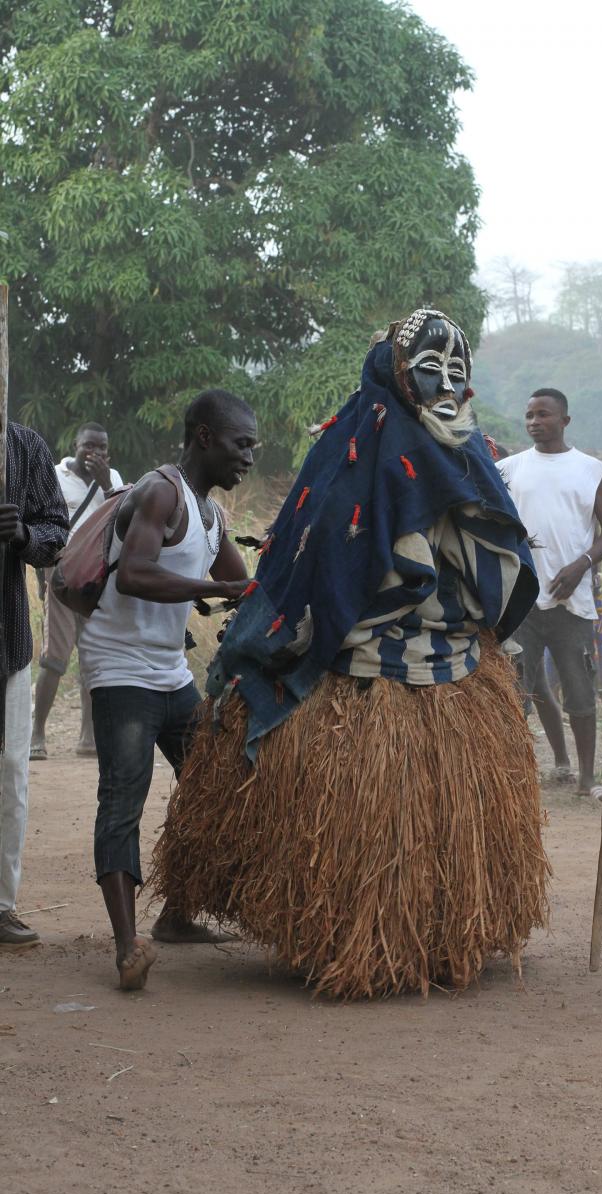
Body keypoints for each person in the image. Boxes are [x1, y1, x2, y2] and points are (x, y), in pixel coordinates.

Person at [150, 309, 548, 1000]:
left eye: (460, 374)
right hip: (356, 674)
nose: (447, 385)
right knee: (358, 831)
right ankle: (354, 942)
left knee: (437, 825)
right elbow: (321, 543)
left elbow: (500, 557)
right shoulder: (358, 446)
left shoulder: (462, 451)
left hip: (447, 669)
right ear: (396, 373)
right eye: (430, 370)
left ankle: (440, 937)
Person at [78, 389, 256, 990]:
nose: (249, 458)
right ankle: (129, 947)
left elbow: (241, 582)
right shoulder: (161, 492)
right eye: (241, 444)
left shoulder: (210, 515)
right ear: (205, 436)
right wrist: (218, 592)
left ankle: (179, 914)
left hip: (169, 672)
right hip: (121, 667)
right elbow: (133, 574)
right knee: (123, 800)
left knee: (215, 785)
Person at [498, 389, 602, 797]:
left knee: (580, 693)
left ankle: (587, 777)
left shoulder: (590, 470)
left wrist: (581, 564)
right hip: (522, 604)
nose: (534, 421)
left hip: (573, 602)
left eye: (543, 414)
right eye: (529, 414)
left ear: (564, 420)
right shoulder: (508, 469)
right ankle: (518, 777)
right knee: (519, 694)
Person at [0, 423, 68, 950]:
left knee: (10, 778)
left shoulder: (24, 448)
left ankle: (1, 907)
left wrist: (24, 536)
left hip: (8, 642)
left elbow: (56, 533)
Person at [30, 422, 123, 761]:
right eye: (88, 446)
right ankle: (36, 734)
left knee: (93, 657)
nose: (94, 453)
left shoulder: (112, 478)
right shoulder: (55, 475)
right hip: (63, 574)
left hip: (97, 579)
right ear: (75, 445)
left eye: (101, 448)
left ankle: (88, 737)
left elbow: (123, 516)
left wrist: (105, 482)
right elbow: (42, 520)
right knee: (55, 656)